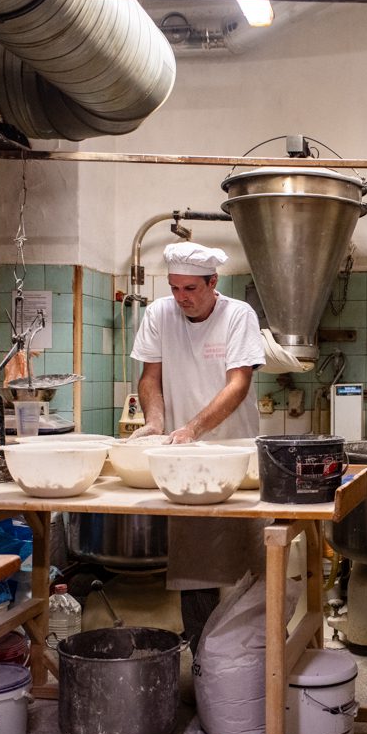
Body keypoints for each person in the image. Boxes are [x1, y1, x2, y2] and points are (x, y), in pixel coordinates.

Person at [129, 241, 267, 653]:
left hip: (238, 457)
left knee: (252, 561)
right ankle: (205, 656)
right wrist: (156, 422)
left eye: (190, 288)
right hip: (186, 463)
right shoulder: (158, 314)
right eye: (174, 288)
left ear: (213, 283)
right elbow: (150, 376)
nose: (181, 298)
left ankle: (252, 654)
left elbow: (238, 383)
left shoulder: (237, 315)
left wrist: (192, 427)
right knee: (196, 564)